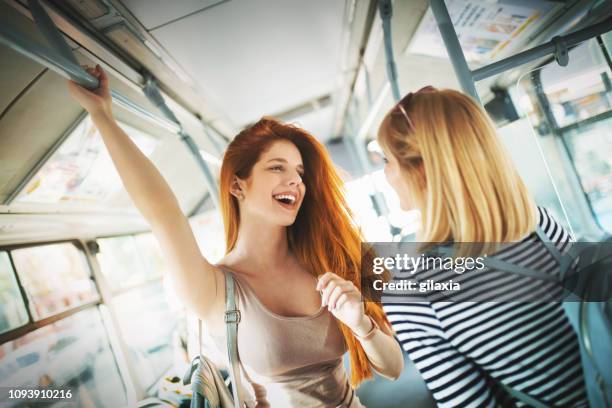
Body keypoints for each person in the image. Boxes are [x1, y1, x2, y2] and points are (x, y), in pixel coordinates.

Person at [68, 65, 403, 407]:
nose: (296, 181)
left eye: (300, 173)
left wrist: (360, 323)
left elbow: (393, 368)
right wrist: (103, 116)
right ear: (236, 185)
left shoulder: (328, 261)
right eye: (277, 167)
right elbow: (163, 213)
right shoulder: (216, 289)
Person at [376, 86, 588, 407]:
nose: (386, 173)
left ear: (421, 169)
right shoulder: (539, 224)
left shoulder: (412, 289)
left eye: (387, 160)